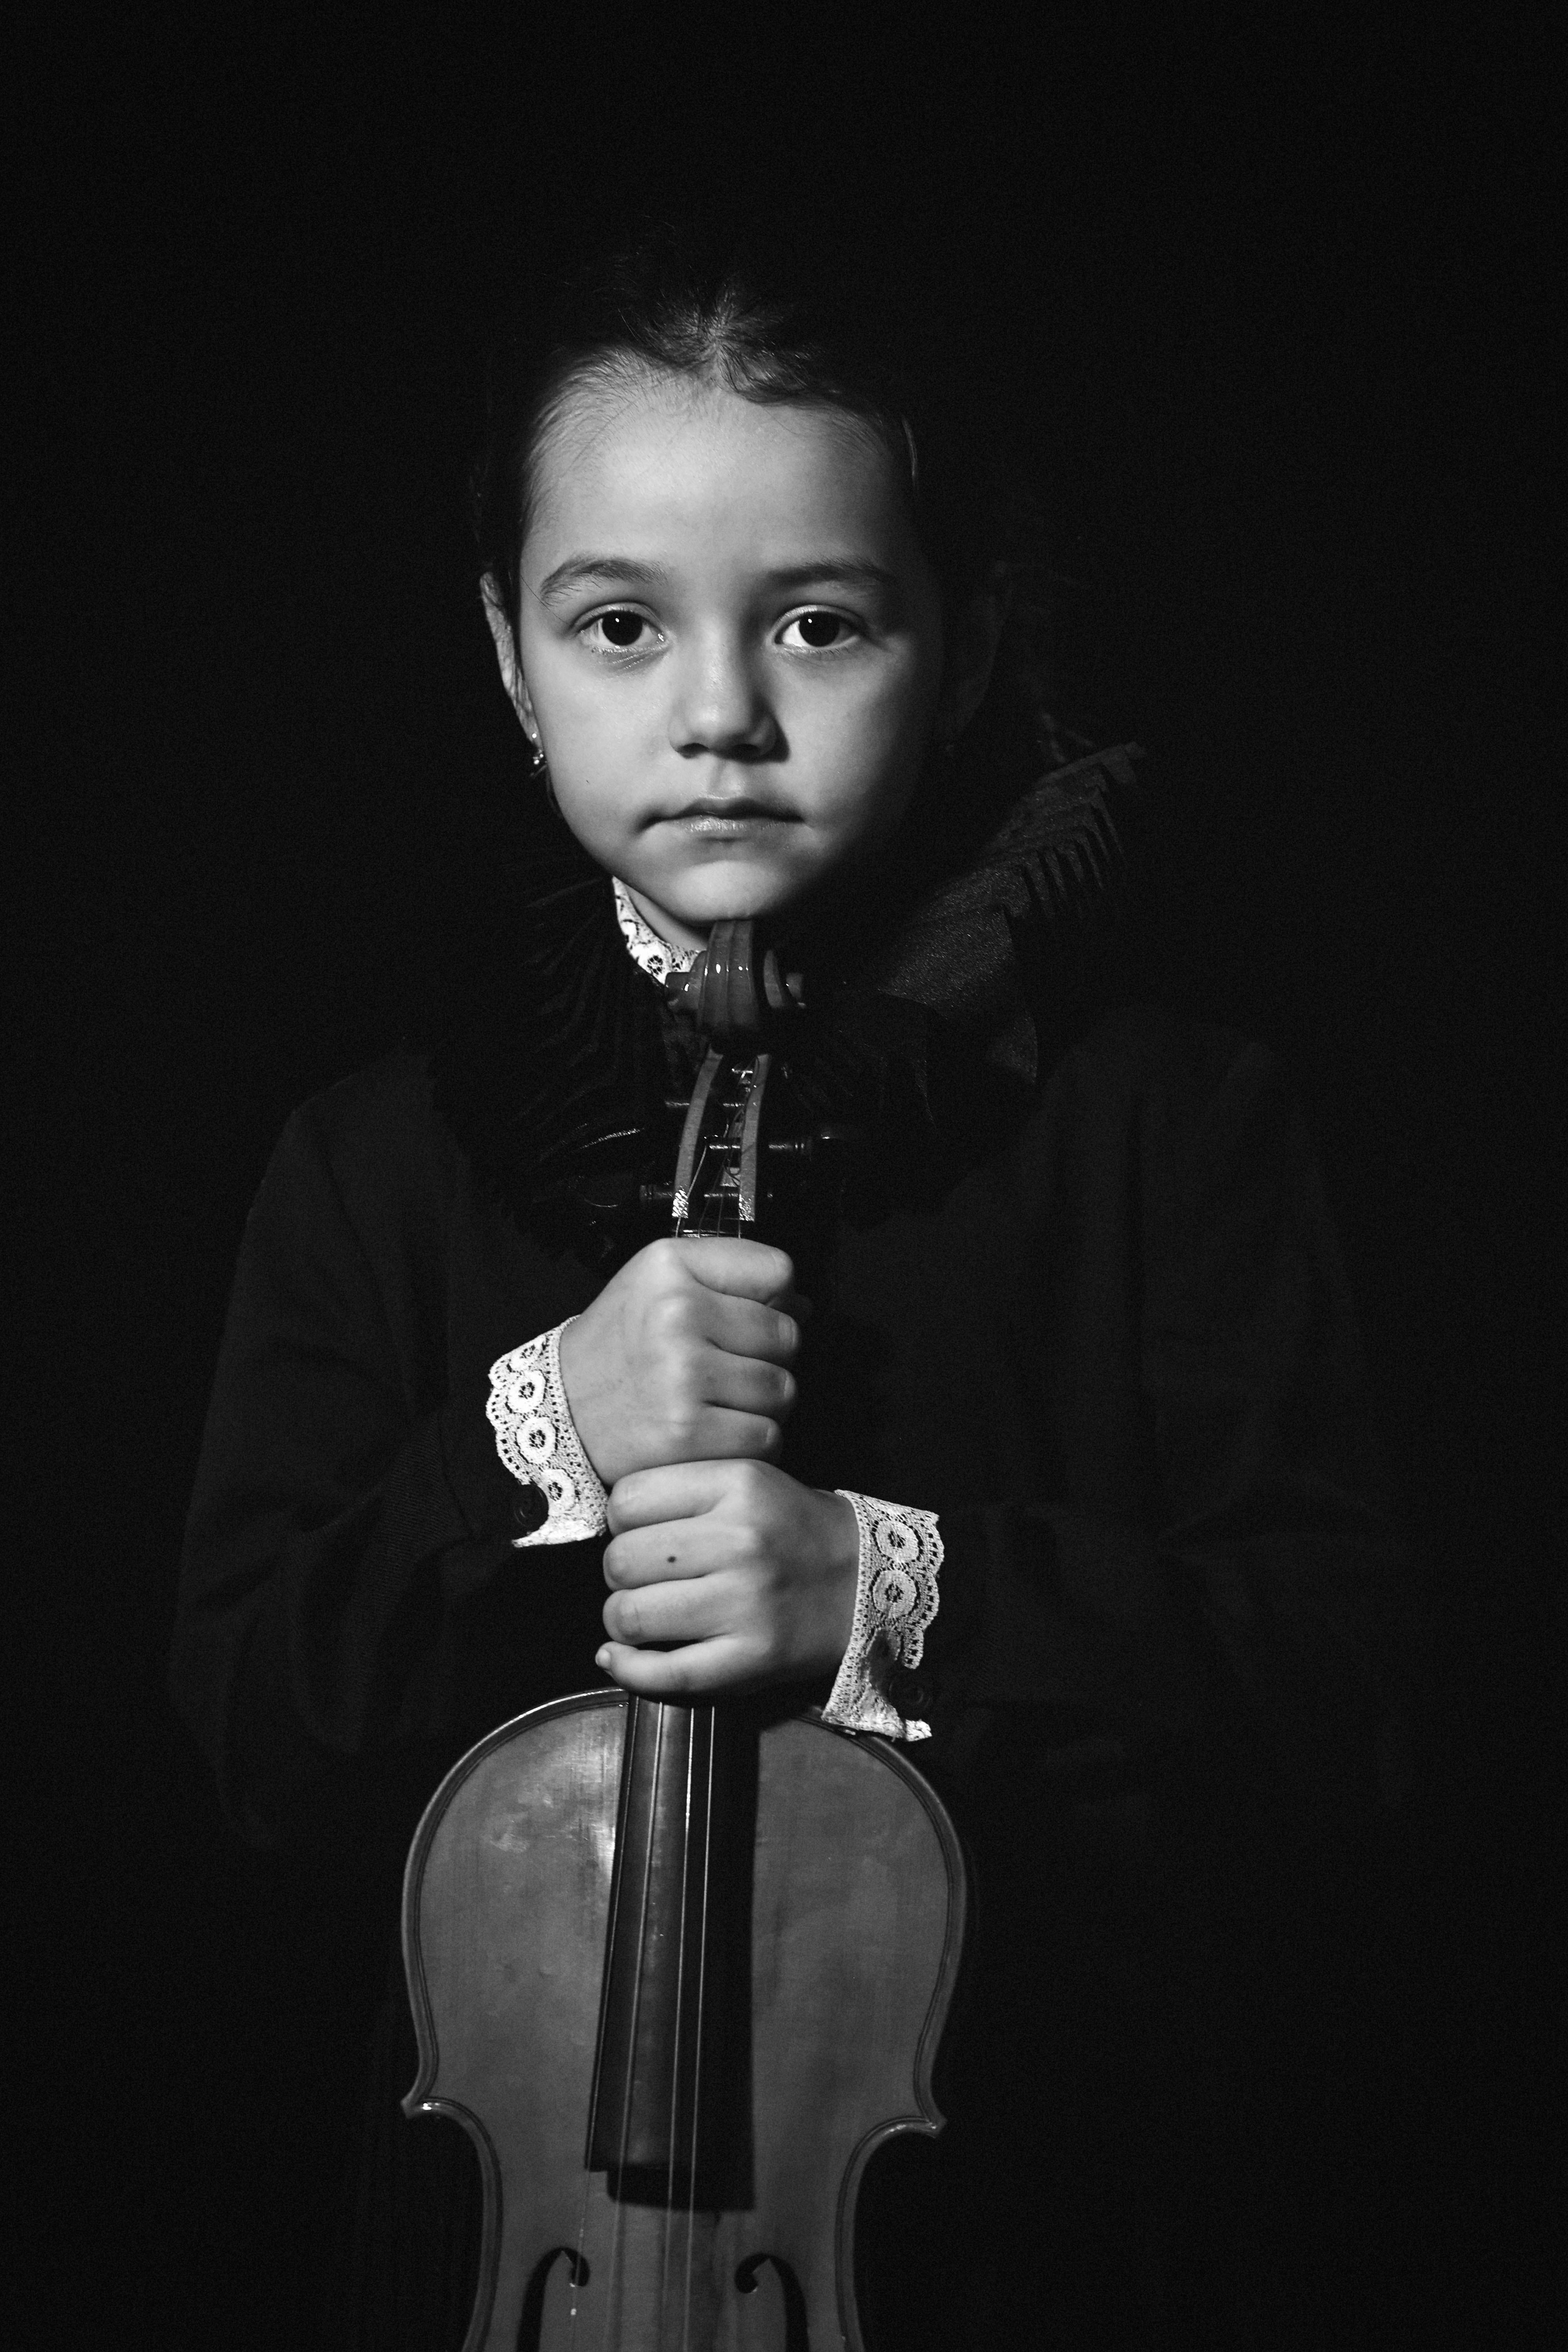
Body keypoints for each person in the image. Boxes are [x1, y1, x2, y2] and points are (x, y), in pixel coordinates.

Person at [171, 223, 1408, 2348]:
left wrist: (889, 1590)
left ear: (966, 641)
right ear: (508, 659)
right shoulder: (375, 1162)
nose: (722, 715)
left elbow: (1351, 1713)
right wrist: (532, 1431)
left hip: (1059, 2248)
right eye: (621, 626)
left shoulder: (1165, 1124)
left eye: (821, 624)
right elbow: (247, 1749)